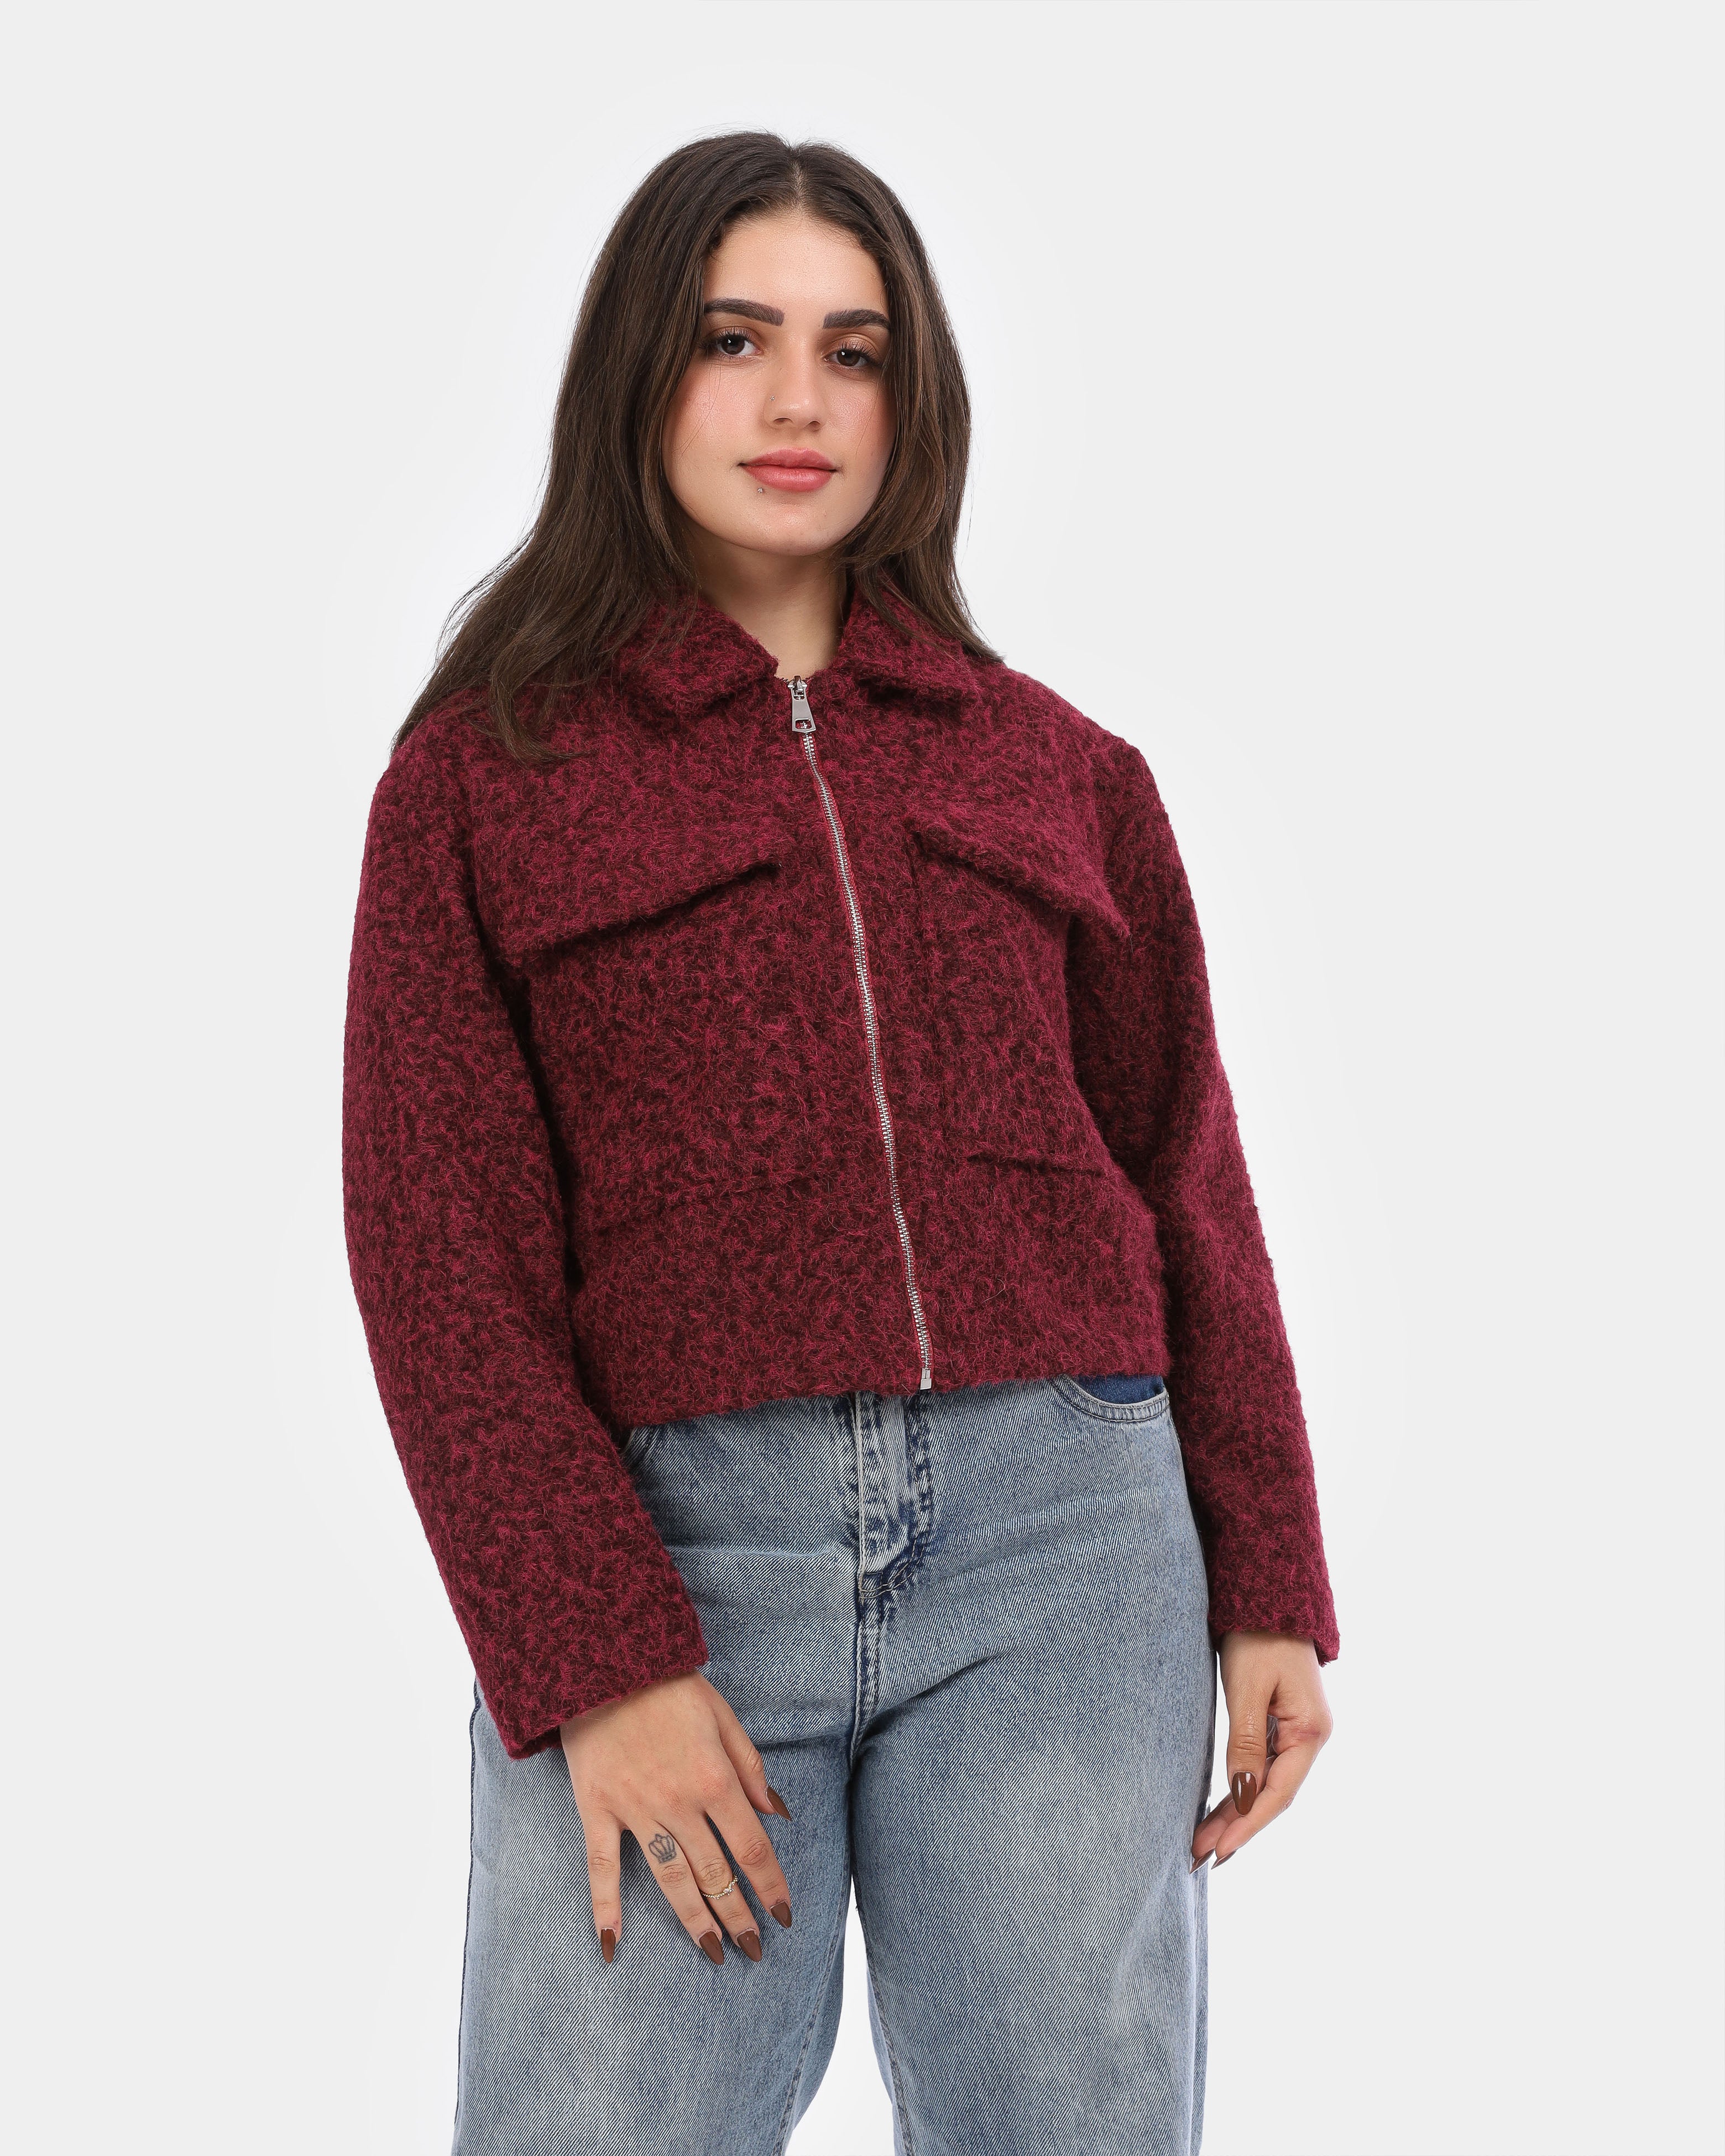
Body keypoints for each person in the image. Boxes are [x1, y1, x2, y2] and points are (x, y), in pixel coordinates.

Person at [343, 130, 1338, 2156]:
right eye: (736, 340)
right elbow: (437, 1248)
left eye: (853, 351)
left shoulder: (1065, 773)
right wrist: (591, 1653)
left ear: (914, 397)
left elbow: (1187, 1180)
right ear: (641, 372)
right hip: (672, 1559)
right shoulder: (484, 780)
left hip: (1066, 1546)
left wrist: (1270, 1576)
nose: (798, 401)